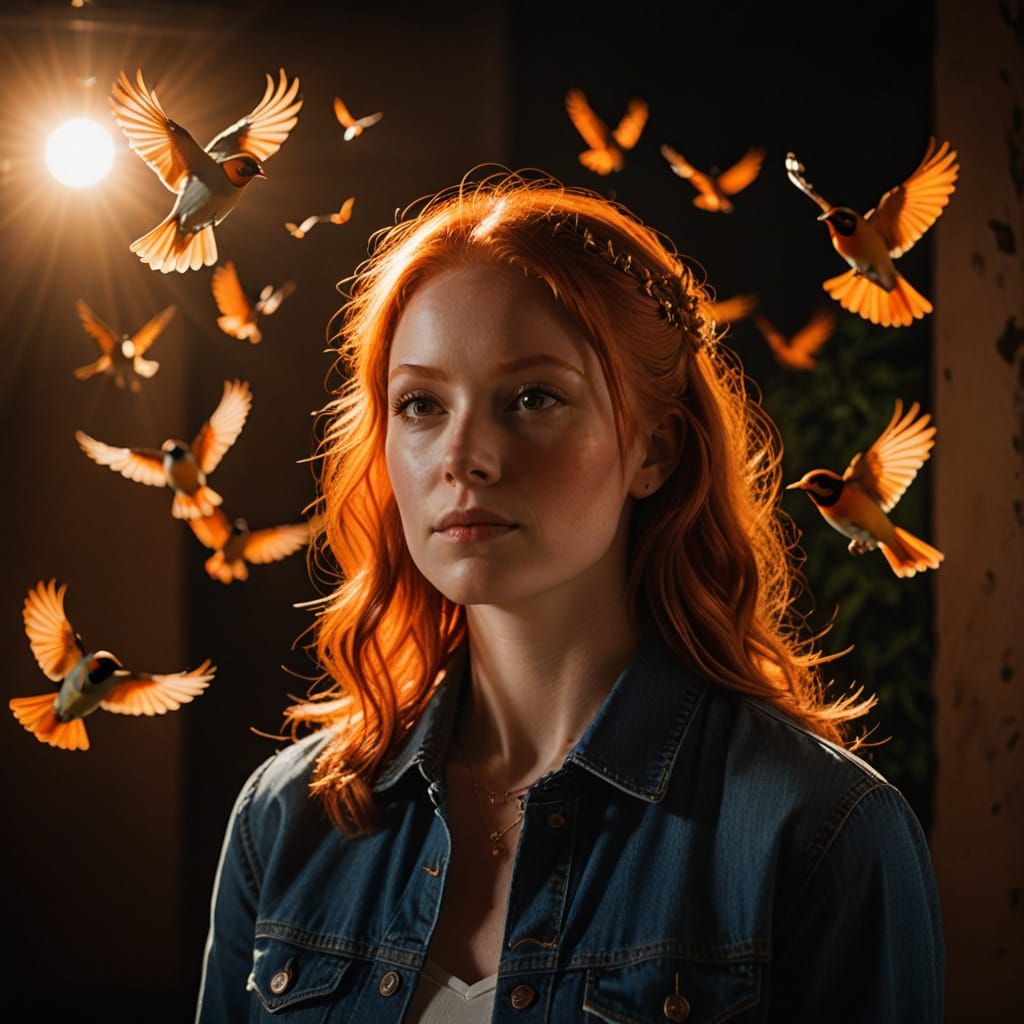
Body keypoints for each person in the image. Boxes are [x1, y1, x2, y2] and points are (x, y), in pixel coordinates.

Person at [195, 169, 944, 1022]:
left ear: (653, 449)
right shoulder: (288, 819)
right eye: (421, 404)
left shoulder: (820, 833)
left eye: (533, 397)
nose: (464, 457)